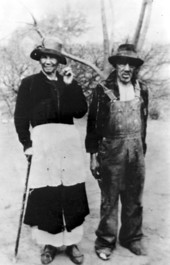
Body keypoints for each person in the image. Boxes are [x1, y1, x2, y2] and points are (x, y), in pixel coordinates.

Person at [14, 36, 89, 265]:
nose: (48, 62)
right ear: (40, 59)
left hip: (68, 142)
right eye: (44, 57)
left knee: (71, 190)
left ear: (59, 61)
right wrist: (27, 144)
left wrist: (70, 86)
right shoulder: (29, 84)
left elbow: (80, 112)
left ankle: (71, 242)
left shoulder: (68, 82)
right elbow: (21, 117)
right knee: (48, 192)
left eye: (53, 58)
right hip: (43, 143)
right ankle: (49, 243)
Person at [85, 44, 149, 261]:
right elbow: (92, 127)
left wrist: (141, 149)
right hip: (111, 151)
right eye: (123, 63)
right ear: (116, 65)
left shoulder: (143, 89)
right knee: (109, 199)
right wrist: (93, 157)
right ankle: (105, 241)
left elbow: (144, 121)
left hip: (136, 150)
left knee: (134, 197)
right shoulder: (102, 90)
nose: (127, 68)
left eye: (131, 64)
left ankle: (132, 238)